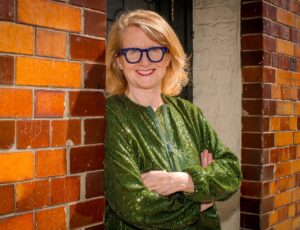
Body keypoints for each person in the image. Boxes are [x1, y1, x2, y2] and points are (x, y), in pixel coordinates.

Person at [104, 9, 242, 230]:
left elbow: (232, 172)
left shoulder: (189, 113)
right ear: (118, 61)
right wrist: (203, 199)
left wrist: (185, 181)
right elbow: (136, 207)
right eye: (132, 52)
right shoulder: (111, 115)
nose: (145, 61)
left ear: (168, 57)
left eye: (155, 51)